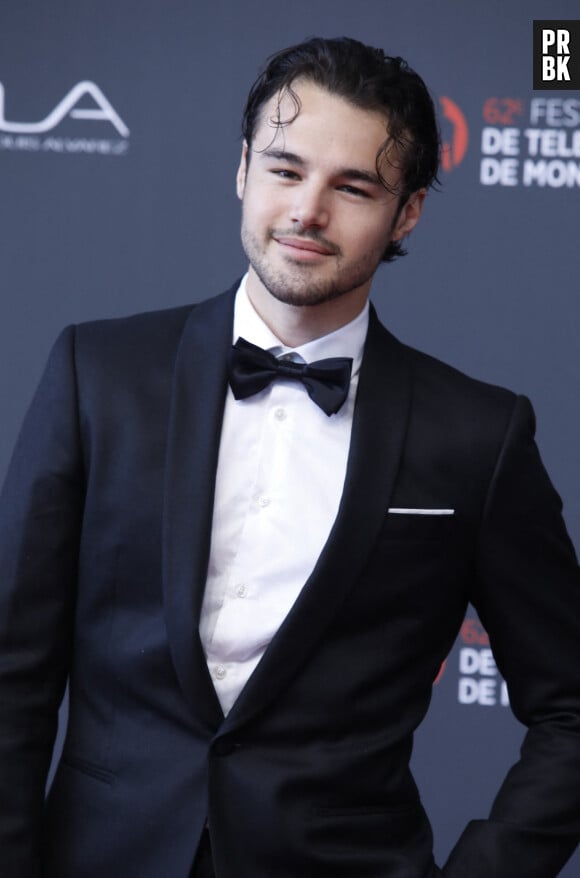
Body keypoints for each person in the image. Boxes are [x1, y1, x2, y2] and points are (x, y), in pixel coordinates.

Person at [0, 35, 579, 878]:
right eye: (284, 169)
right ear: (242, 170)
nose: (308, 210)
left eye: (353, 186)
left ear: (407, 212)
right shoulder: (99, 374)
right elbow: (12, 672)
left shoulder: (477, 436)